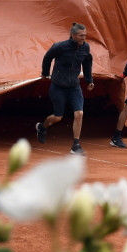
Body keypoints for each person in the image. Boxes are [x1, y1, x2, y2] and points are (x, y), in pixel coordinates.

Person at [36, 22, 94, 155]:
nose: (83, 38)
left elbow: (87, 63)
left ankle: (76, 145)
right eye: (80, 35)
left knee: (79, 113)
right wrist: (45, 73)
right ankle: (42, 127)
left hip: (74, 86)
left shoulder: (86, 48)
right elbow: (47, 57)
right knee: (57, 117)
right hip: (58, 86)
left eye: (85, 35)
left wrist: (89, 80)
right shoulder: (60, 46)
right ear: (72, 35)